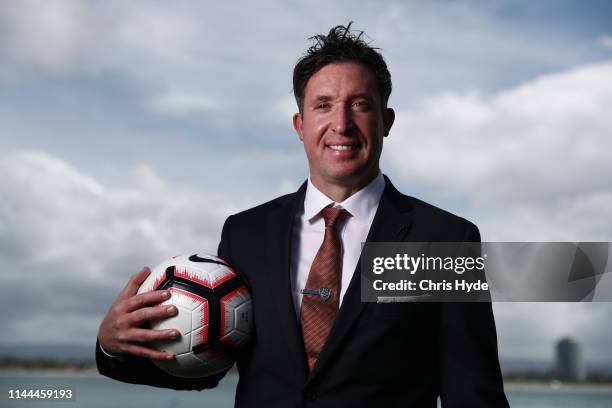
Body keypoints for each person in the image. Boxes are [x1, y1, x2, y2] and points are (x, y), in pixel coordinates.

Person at [97, 23, 509, 407]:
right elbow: (204, 366)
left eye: (360, 105)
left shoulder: (443, 239)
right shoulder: (246, 233)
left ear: (386, 121)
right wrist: (114, 346)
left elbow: (473, 393)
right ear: (300, 124)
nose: (341, 124)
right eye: (324, 105)